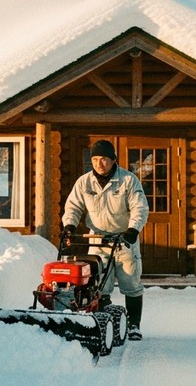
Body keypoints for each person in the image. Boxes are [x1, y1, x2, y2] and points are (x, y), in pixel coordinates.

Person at [61, 139, 149, 341]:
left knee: (131, 282)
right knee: (100, 285)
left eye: (103, 159)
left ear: (113, 160)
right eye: (95, 159)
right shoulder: (84, 182)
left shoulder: (128, 180)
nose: (99, 164)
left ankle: (134, 325)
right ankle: (105, 322)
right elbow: (73, 207)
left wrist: (133, 229)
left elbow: (139, 207)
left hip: (124, 239)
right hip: (97, 238)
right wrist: (69, 226)